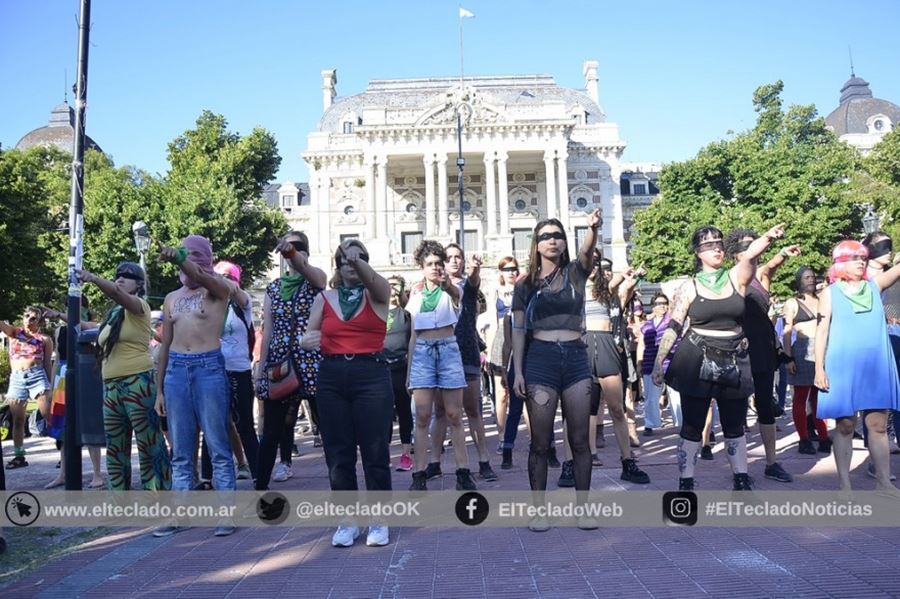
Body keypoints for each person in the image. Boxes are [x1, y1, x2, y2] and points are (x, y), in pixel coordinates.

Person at [652, 223, 786, 491]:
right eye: (708, 243)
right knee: (692, 424)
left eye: (719, 242)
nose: (716, 247)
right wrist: (659, 361)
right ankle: (686, 479)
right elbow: (674, 325)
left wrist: (767, 237)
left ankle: (740, 477)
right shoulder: (688, 286)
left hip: (734, 358)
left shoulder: (736, 277)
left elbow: (749, 257)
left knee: (735, 424)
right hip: (696, 357)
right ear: (697, 252)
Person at [512, 210, 601, 531]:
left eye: (558, 235)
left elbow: (587, 252)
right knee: (540, 442)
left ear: (565, 243)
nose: (552, 241)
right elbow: (518, 330)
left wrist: (592, 229)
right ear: (535, 245)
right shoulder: (525, 284)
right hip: (540, 360)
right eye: (546, 236)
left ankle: (584, 508)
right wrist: (518, 371)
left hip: (576, 359)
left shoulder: (576, 273)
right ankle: (539, 510)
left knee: (579, 440)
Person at [301, 239, 393, 547]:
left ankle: (379, 520)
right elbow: (309, 334)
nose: (350, 264)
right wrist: (307, 341)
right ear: (336, 266)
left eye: (358, 259)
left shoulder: (377, 294)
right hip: (332, 375)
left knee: (375, 450)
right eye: (344, 260)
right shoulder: (324, 298)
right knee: (338, 453)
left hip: (371, 374)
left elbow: (379, 287)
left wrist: (359, 261)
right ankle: (347, 521)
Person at [154, 236, 237, 537]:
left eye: (190, 254)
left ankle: (226, 513)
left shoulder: (219, 288)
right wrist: (159, 388)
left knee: (217, 444)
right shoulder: (172, 297)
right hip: (177, 370)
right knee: (181, 449)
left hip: (208, 368)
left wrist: (177, 257)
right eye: (181, 253)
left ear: (203, 257)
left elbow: (202, 276)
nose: (185, 261)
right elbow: (165, 344)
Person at [815, 240, 900, 498]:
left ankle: (884, 483)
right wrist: (819, 368)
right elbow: (822, 330)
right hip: (842, 365)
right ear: (840, 262)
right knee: (845, 425)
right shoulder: (830, 293)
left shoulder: (875, 285)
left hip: (876, 365)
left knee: (878, 425)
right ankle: (845, 485)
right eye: (854, 258)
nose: (860, 261)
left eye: (862, 257)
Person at [77, 263, 171, 492]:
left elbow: (117, 294)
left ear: (139, 285)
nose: (121, 279)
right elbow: (94, 328)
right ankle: (119, 501)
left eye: (128, 276)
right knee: (115, 447)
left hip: (137, 383)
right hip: (111, 386)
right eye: (118, 275)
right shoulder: (113, 315)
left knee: (149, 444)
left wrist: (93, 277)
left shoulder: (139, 306)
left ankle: (158, 499)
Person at [724, 229, 799, 483]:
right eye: (748, 247)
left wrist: (782, 253)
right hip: (738, 350)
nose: (754, 250)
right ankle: (739, 470)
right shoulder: (732, 279)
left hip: (764, 349)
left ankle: (771, 463)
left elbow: (770, 266)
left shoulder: (761, 277)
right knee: (736, 409)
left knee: (766, 407)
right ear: (736, 256)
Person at [255, 231, 326, 489]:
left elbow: (312, 273)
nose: (290, 252)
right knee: (272, 429)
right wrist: (261, 370)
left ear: (305, 252)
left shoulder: (316, 281)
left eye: (296, 248)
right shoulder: (273, 289)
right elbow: (269, 330)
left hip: (312, 363)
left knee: (326, 426)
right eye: (286, 248)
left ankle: (340, 485)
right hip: (280, 364)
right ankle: (260, 487)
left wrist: (294, 255)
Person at [407, 240, 476, 492]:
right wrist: (409, 373)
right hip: (423, 352)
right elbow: (413, 335)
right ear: (422, 267)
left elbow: (455, 294)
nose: (435, 267)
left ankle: (463, 472)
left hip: (448, 348)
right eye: (430, 264)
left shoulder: (453, 287)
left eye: (439, 263)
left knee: (454, 415)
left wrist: (446, 282)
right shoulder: (415, 294)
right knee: (423, 416)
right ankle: (419, 474)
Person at [429, 244, 497, 483]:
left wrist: (476, 269)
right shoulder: (431, 289)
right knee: (440, 412)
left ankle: (484, 460)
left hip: (466, 353)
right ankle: (434, 462)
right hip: (439, 355)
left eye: (459, 257)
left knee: (472, 410)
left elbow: (474, 282)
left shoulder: (467, 287)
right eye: (449, 258)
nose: (455, 261)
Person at [580, 254, 649, 485]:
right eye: (589, 261)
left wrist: (631, 275)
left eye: (596, 262)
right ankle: (586, 457)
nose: (593, 266)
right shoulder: (575, 288)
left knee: (617, 408)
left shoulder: (606, 289)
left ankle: (627, 460)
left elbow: (619, 284)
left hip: (607, 344)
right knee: (587, 409)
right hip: (583, 345)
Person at [197, 261, 258, 484]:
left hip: (238, 369)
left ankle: (258, 474)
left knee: (244, 425)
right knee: (212, 424)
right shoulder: (211, 303)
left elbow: (237, 294)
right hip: (212, 369)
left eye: (227, 276)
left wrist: (225, 282)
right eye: (217, 276)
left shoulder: (243, 302)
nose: (221, 279)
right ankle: (206, 477)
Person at [41, 303, 105, 489]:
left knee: (88, 423)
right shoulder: (60, 330)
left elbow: (85, 329)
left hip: (85, 374)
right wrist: (52, 387)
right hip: (63, 376)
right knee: (62, 427)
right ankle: (63, 473)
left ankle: (97, 473)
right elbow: (58, 357)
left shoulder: (92, 326)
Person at [782, 267, 830, 454]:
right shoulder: (792, 303)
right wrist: (788, 358)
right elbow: (786, 333)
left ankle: (824, 436)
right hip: (802, 349)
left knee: (820, 397)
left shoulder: (822, 300)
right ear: (799, 281)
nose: (810, 280)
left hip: (823, 349)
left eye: (812, 277)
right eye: (806, 277)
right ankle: (804, 439)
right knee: (801, 398)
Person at [1, 307, 54, 468]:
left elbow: (46, 364)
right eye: (26, 316)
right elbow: (2, 325)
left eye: (33, 318)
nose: (29, 320)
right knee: (18, 420)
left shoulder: (44, 339)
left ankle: (65, 453)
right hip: (17, 378)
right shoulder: (15, 333)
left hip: (37, 375)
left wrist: (50, 385)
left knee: (49, 416)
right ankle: (19, 456)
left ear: (39, 322)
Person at [382, 275, 414, 471]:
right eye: (389, 284)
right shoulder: (377, 313)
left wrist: (411, 372)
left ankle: (406, 453)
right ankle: (384, 453)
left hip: (401, 368)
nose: (392, 288)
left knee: (404, 412)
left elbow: (412, 344)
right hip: (382, 369)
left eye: (396, 285)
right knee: (383, 414)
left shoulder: (407, 314)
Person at [638, 292, 671, 437]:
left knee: (676, 394)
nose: (662, 306)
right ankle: (650, 424)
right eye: (658, 303)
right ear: (653, 306)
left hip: (671, 360)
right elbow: (641, 344)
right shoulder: (647, 325)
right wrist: (639, 362)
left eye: (664, 302)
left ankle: (682, 422)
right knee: (651, 395)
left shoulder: (672, 322)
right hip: (650, 361)